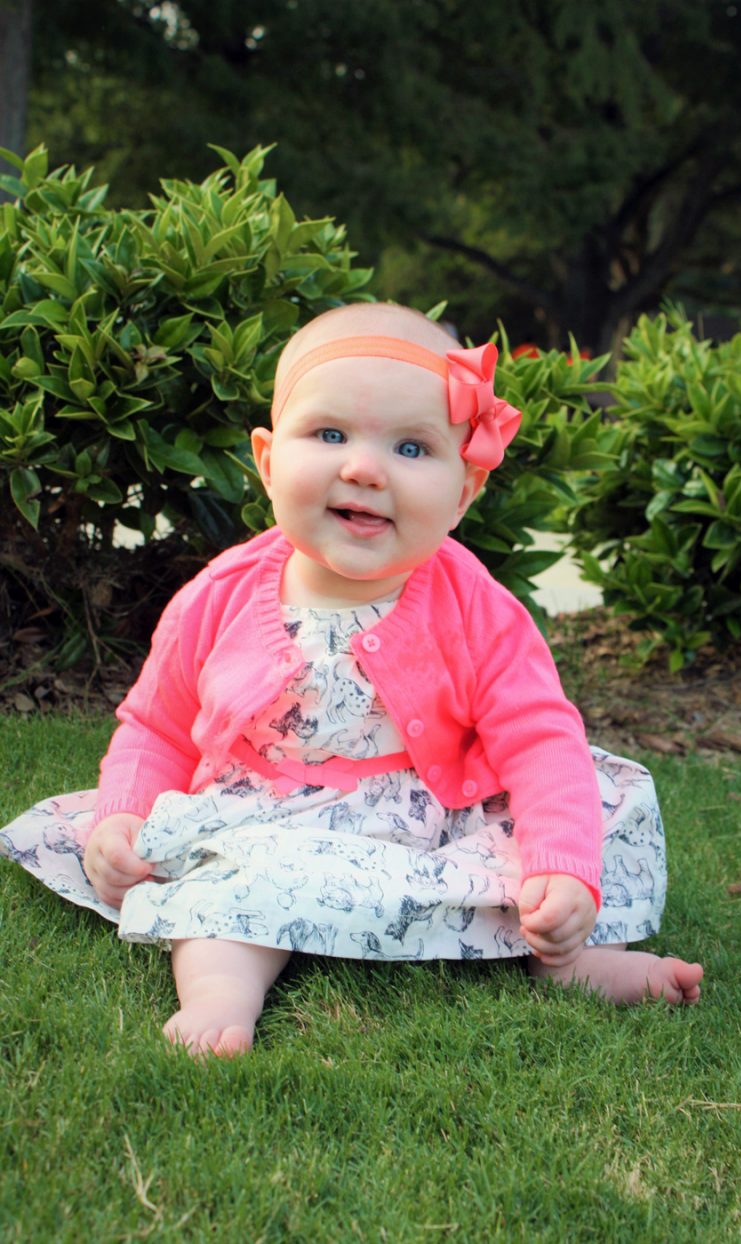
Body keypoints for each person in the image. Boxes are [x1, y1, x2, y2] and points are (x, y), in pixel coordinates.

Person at [0, 303, 702, 1057]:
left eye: (410, 445)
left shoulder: (477, 608)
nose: (364, 468)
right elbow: (156, 724)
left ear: (464, 491)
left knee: (560, 844)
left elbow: (540, 740)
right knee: (229, 887)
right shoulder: (222, 593)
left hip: (429, 820)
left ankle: (565, 956)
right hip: (265, 819)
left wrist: (562, 867)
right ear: (268, 462)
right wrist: (121, 815)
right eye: (330, 434)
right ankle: (220, 992)